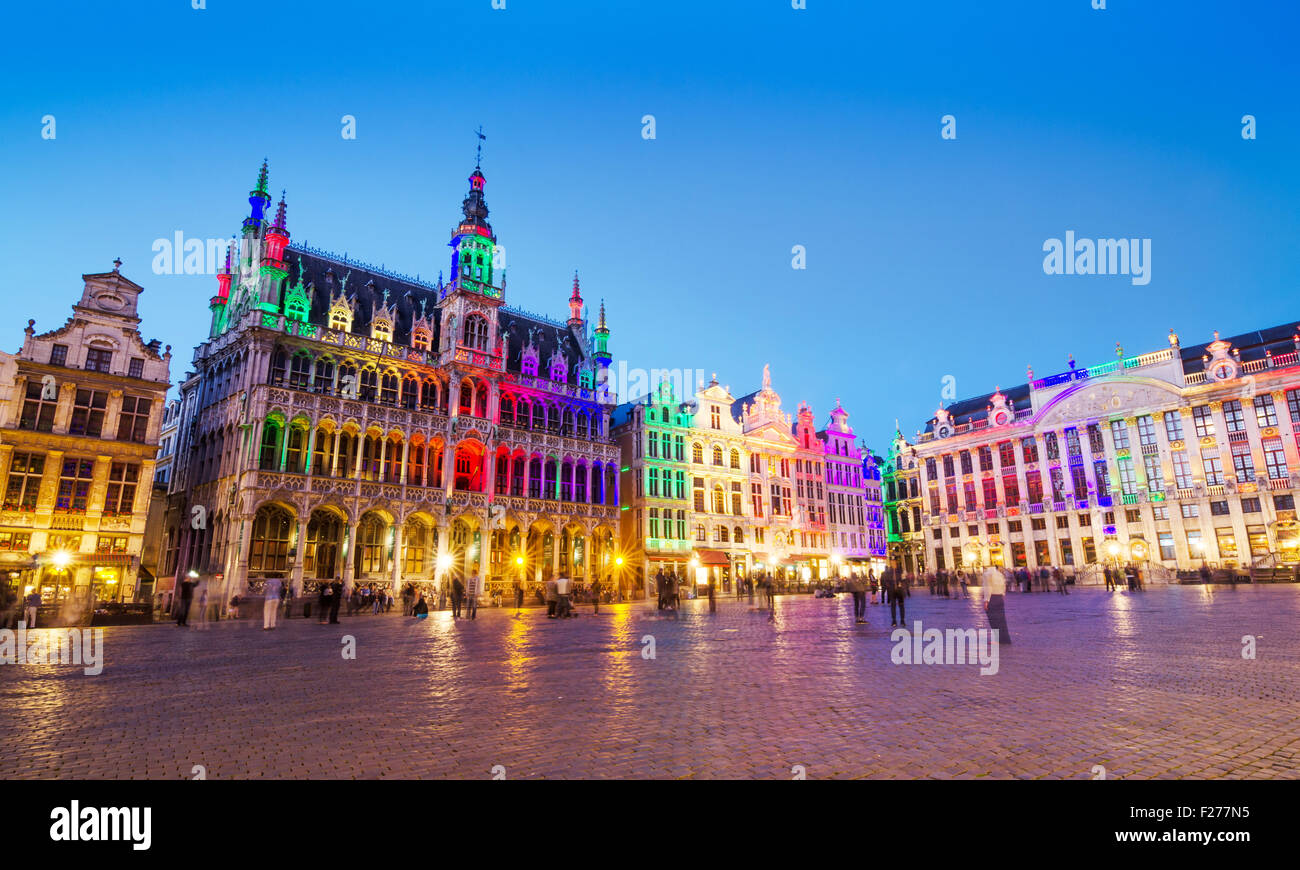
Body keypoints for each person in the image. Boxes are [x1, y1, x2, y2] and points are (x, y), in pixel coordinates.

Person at [982, 564, 1011, 644]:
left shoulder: (987, 574)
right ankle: (1005, 639)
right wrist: (1002, 595)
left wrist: (986, 600)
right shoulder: (1000, 575)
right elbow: (1004, 586)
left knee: (994, 620)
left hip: (992, 598)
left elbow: (988, 588)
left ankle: (998, 640)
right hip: (1000, 597)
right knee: (1001, 620)